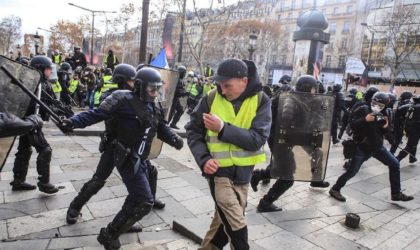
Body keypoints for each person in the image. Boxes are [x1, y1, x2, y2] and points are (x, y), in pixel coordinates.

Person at [59, 67, 184, 249]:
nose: (156, 93)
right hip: (115, 148)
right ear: (140, 86)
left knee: (142, 188)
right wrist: (73, 122)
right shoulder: (121, 98)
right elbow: (96, 114)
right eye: (152, 89)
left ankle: (124, 221)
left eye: (158, 89)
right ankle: (75, 208)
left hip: (135, 152)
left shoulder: (154, 105)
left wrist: (174, 139)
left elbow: (160, 126)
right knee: (98, 180)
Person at [186, 58, 271, 249]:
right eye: (219, 85)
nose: (222, 91)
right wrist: (203, 159)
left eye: (227, 86)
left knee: (221, 226)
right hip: (218, 173)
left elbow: (257, 139)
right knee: (234, 218)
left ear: (244, 81)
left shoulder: (262, 100)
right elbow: (193, 131)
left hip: (243, 176)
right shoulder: (210, 99)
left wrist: (223, 128)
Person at [251, 75, 330, 213]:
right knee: (288, 177)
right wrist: (305, 136)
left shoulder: (302, 98)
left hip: (290, 138)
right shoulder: (291, 101)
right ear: (306, 88)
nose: (315, 91)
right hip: (280, 139)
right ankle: (265, 203)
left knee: (313, 154)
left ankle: (258, 176)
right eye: (313, 88)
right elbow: (286, 126)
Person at [329, 92, 413, 202]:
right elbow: (352, 125)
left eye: (380, 105)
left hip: (378, 147)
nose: (376, 106)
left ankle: (396, 193)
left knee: (395, 164)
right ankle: (335, 189)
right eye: (374, 103)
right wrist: (365, 119)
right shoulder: (363, 109)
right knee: (352, 172)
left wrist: (385, 127)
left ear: (385, 106)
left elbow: (386, 131)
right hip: (361, 148)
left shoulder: (386, 113)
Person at [10, 55, 59, 194]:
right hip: (31, 122)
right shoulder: (33, 83)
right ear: (40, 69)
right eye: (48, 69)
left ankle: (18, 181)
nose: (50, 72)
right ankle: (44, 183)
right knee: (45, 149)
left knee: (25, 149)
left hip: (28, 122)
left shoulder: (40, 83)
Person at [396, 95, 420, 163]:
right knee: (410, 146)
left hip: (409, 127)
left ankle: (412, 158)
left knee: (413, 144)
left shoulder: (413, 106)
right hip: (415, 129)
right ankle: (397, 158)